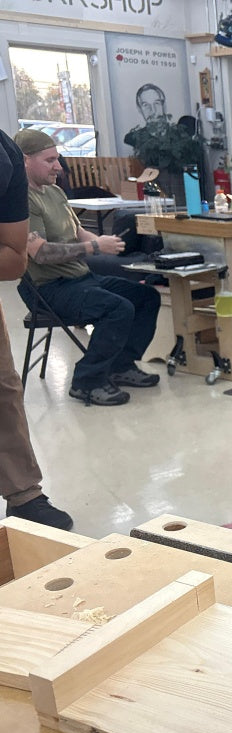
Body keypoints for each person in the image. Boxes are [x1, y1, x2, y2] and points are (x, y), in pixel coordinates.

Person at [15, 129, 161, 407]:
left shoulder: (55, 192)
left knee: (146, 297)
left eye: (57, 159)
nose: (59, 166)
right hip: (49, 289)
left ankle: (120, 365)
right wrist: (96, 248)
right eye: (50, 160)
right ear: (25, 160)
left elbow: (81, 233)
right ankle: (86, 381)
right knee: (118, 309)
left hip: (81, 279)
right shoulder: (22, 201)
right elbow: (42, 253)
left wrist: (113, 244)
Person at [0, 127, 73, 529]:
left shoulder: (4, 155)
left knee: (3, 387)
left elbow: (13, 260)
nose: (58, 167)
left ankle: (25, 495)